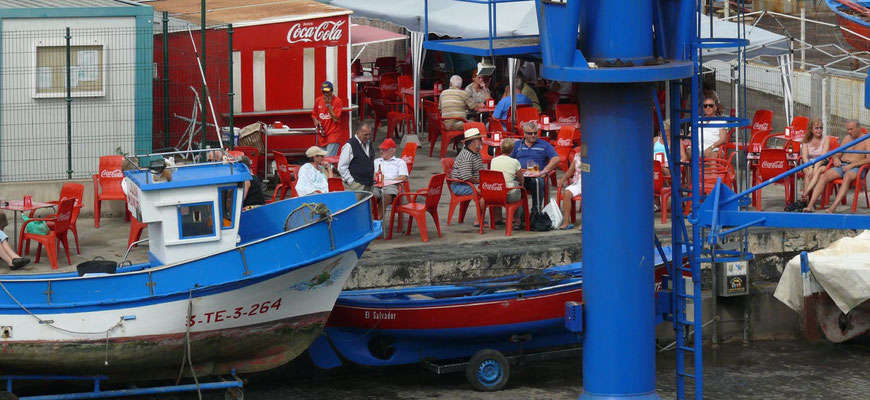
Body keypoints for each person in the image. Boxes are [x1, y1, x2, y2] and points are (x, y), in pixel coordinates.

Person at [805, 120, 870, 213]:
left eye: (851, 129)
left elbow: (868, 159)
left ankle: (833, 207)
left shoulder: (867, 140)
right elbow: (837, 153)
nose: (849, 132)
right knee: (824, 177)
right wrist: (836, 159)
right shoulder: (847, 138)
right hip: (842, 165)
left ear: (859, 128)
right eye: (848, 129)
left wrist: (852, 165)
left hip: (857, 168)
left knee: (847, 178)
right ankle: (810, 205)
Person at [511, 121, 560, 212]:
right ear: (524, 134)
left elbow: (556, 158)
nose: (533, 135)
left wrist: (544, 171)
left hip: (537, 175)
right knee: (512, 184)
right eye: (530, 133)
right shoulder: (517, 145)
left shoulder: (544, 145)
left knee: (537, 182)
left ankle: (536, 212)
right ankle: (519, 214)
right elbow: (508, 160)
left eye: (535, 133)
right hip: (520, 176)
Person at [489, 139, 524, 227]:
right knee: (519, 190)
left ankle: (498, 218)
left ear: (501, 148)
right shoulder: (515, 162)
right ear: (512, 149)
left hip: (495, 194)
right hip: (508, 195)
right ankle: (517, 220)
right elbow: (521, 179)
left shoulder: (494, 160)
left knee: (513, 185)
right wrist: (521, 184)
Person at [338, 123, 376, 192]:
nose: (368, 137)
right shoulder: (350, 145)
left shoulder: (369, 143)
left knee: (368, 203)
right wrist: (351, 182)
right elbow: (342, 167)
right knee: (357, 203)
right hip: (356, 186)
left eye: (369, 134)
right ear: (358, 132)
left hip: (369, 183)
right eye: (365, 134)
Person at [799, 118, 830, 202]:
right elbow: (804, 157)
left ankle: (805, 194)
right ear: (811, 130)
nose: (819, 130)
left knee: (817, 172)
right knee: (808, 174)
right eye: (816, 128)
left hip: (822, 162)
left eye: (821, 128)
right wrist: (810, 168)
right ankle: (806, 200)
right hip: (809, 162)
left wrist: (815, 168)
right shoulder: (806, 139)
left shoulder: (826, 139)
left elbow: (823, 156)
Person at [373, 138, 409, 209]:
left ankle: (378, 220)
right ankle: (372, 219)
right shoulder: (376, 161)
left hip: (391, 186)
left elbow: (404, 177)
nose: (381, 151)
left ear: (392, 150)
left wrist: (389, 182)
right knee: (371, 199)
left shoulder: (399, 162)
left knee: (385, 199)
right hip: (376, 185)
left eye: (384, 149)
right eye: (381, 149)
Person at [450, 128, 485, 200]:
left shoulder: (476, 152)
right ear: (473, 142)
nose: (481, 141)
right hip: (460, 185)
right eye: (479, 139)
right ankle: (481, 211)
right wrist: (481, 182)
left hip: (470, 183)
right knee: (485, 193)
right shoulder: (466, 156)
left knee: (491, 190)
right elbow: (467, 177)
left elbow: (480, 169)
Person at [312, 81, 344, 157]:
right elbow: (314, 114)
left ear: (332, 91)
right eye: (324, 92)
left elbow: (335, 119)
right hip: (322, 135)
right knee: (321, 161)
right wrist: (315, 120)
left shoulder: (337, 101)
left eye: (327, 91)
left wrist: (328, 105)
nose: (325, 94)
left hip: (333, 134)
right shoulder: (318, 100)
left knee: (328, 161)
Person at [556, 149, 582, 230]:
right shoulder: (577, 156)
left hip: (591, 183)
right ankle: (567, 221)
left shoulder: (594, 156)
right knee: (567, 193)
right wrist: (562, 179)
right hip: (578, 182)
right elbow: (570, 171)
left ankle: (585, 222)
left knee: (588, 196)